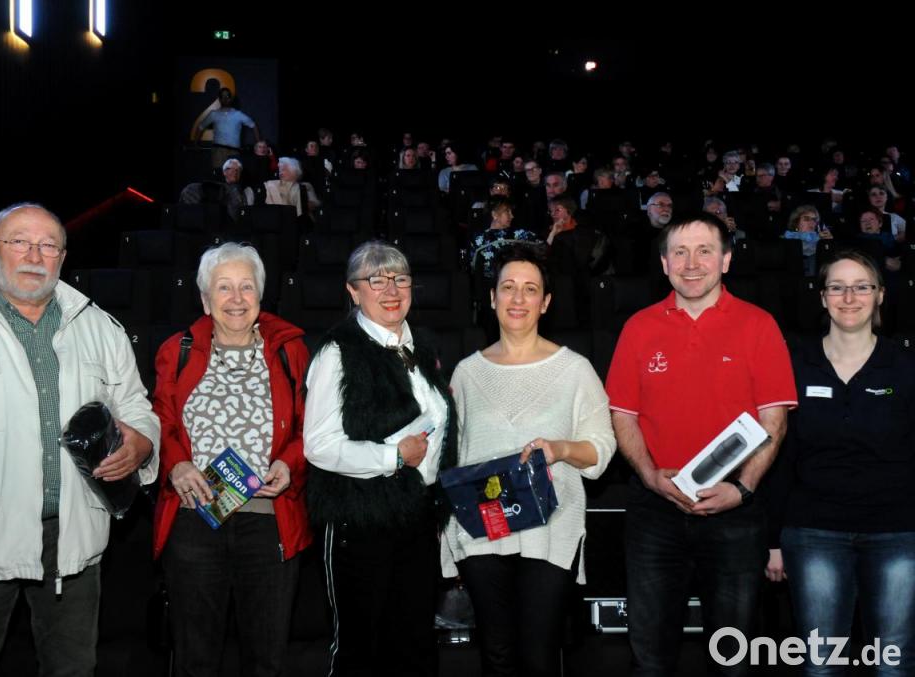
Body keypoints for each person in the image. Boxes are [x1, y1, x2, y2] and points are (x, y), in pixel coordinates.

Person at [0, 203, 159, 676]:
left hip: (73, 538)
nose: (34, 256)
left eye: (48, 245)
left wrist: (142, 445)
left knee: (72, 668)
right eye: (19, 242)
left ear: (62, 258)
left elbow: (137, 408)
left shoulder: (100, 327)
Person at [605, 212, 797, 677]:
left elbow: (774, 421)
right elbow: (622, 415)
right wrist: (649, 476)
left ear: (726, 260)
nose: (692, 263)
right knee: (650, 659)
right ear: (664, 264)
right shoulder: (638, 328)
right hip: (655, 511)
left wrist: (742, 489)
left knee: (732, 659)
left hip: (735, 513)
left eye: (704, 251)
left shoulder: (759, 325)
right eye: (680, 252)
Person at [442, 243, 616, 677]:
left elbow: (602, 448)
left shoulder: (575, 370)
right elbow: (452, 459)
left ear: (546, 302)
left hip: (550, 529)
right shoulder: (466, 373)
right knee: (496, 656)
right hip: (483, 532)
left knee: (539, 657)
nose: (518, 298)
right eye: (508, 287)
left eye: (530, 289)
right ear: (492, 298)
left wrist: (560, 449)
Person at [152, 242, 310, 675]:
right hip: (195, 518)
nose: (236, 298)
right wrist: (177, 464)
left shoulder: (290, 351)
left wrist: (289, 462)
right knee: (195, 657)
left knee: (266, 658)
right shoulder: (177, 351)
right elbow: (160, 421)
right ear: (205, 300)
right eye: (224, 287)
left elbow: (308, 428)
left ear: (261, 295)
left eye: (246, 287)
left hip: (269, 521)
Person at [303, 241, 458, 677]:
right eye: (376, 280)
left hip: (416, 520)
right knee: (360, 650)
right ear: (353, 291)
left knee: (414, 646)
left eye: (400, 278)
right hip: (359, 522)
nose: (391, 290)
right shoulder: (338, 352)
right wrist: (393, 456)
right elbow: (318, 445)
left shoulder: (421, 346)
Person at [765, 249, 915, 675]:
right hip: (814, 533)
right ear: (822, 297)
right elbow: (780, 456)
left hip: (897, 533)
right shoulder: (795, 365)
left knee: (894, 665)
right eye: (837, 287)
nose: (849, 298)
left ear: (880, 295)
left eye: (861, 287)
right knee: (821, 665)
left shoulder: (905, 367)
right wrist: (773, 541)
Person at [191, 87, 261, 169]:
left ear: (230, 98)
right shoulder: (214, 114)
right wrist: (195, 143)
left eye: (227, 96)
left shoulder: (238, 114)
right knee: (218, 174)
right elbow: (200, 127)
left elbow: (253, 125)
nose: (225, 99)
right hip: (219, 151)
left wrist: (258, 143)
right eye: (222, 96)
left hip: (234, 151)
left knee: (234, 175)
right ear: (219, 99)